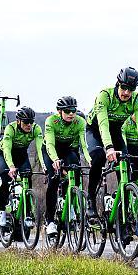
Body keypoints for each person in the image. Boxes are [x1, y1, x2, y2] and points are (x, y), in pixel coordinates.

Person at [86, 68, 138, 217]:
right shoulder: (105, 95)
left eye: (131, 89)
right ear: (118, 84)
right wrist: (109, 148)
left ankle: (122, 214)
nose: (126, 93)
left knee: (125, 164)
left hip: (115, 132)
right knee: (99, 157)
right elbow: (103, 124)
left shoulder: (137, 100)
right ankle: (90, 201)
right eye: (123, 88)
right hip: (96, 130)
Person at [42, 96, 92, 240]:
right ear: (59, 111)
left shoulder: (80, 121)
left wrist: (89, 159)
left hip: (67, 149)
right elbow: (50, 143)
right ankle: (49, 220)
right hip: (51, 150)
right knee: (54, 179)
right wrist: (55, 159)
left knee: (75, 172)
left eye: (74, 111)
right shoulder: (51, 121)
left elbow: (83, 144)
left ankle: (69, 203)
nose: (71, 114)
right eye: (67, 111)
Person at [0, 106, 44, 229]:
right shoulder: (10, 128)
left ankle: (28, 213)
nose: (29, 125)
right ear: (18, 121)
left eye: (31, 122)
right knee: (5, 179)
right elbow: (6, 149)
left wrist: (44, 166)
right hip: (6, 154)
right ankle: (2, 210)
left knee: (28, 178)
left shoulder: (36, 129)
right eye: (26, 122)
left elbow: (40, 149)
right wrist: (11, 166)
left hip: (22, 154)